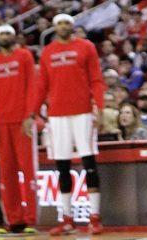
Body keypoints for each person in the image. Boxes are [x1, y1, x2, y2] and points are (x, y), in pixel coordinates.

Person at [35, 14, 105, 236]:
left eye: (67, 23)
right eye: (59, 23)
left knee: (89, 162)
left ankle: (95, 218)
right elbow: (41, 85)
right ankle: (67, 219)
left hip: (83, 112)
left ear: (72, 25)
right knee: (62, 167)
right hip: (56, 115)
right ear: (54, 27)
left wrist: (100, 108)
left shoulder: (86, 47)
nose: (63, 26)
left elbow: (96, 79)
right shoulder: (47, 52)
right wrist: (32, 113)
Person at [0, 24, 38, 235]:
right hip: (3, 123)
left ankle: (31, 219)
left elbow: (32, 87)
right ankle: (14, 220)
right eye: (1, 34)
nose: (4, 37)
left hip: (22, 122)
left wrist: (30, 115)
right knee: (7, 174)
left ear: (14, 36)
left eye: (8, 33)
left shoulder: (24, 56)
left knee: (28, 170)